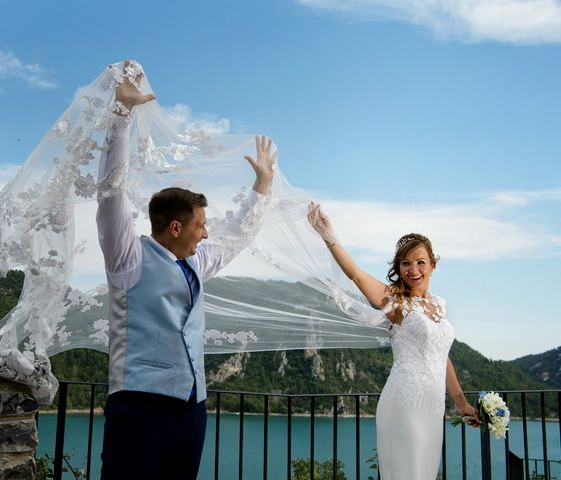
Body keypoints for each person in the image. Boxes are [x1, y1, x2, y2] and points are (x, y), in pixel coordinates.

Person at [97, 63, 277, 479]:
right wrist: (121, 119)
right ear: (175, 226)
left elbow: (235, 237)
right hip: (140, 405)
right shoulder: (128, 258)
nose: (206, 232)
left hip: (192, 409)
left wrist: (262, 185)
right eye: (200, 224)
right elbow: (110, 194)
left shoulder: (196, 262)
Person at [307, 203, 481, 480]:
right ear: (398, 268)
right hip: (404, 401)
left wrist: (461, 403)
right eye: (405, 263)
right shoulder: (397, 302)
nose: (413, 270)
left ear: (433, 266)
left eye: (420, 262)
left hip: (432, 406)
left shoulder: (439, 305)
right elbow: (357, 275)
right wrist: (328, 234)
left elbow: (441, 355)